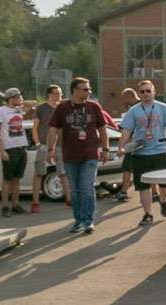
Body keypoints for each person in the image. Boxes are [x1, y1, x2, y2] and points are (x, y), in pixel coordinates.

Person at [47, 77, 111, 234]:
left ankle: (88, 220)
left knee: (87, 187)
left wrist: (105, 149)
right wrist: (50, 150)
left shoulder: (93, 107)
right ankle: (78, 220)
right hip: (70, 155)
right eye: (85, 89)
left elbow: (102, 129)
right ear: (74, 91)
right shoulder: (62, 108)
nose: (89, 92)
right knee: (75, 190)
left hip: (90, 154)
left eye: (89, 89)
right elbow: (53, 130)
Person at [117, 80, 166, 226]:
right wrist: (121, 147)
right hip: (140, 152)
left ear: (154, 92)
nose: (145, 94)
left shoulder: (163, 108)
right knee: (143, 186)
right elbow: (126, 131)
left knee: (164, 184)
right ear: (139, 94)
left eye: (148, 91)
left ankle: (162, 200)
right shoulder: (133, 111)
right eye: (142, 92)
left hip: (160, 151)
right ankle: (148, 214)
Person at [0, 88, 29, 217]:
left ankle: (15, 204)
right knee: (7, 178)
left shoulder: (18, 110)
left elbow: (33, 104)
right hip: (9, 148)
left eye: (20, 97)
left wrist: (21, 102)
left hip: (21, 146)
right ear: (10, 99)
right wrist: (2, 150)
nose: (20, 99)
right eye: (17, 97)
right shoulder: (0, 111)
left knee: (17, 179)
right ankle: (5, 206)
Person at [32, 84, 68, 213]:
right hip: (44, 144)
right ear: (49, 95)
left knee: (63, 172)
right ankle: (35, 202)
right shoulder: (41, 108)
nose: (59, 96)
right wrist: (37, 143)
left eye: (60, 94)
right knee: (39, 172)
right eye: (56, 94)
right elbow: (35, 127)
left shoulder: (62, 108)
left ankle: (69, 199)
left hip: (60, 145)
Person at [114, 87, 141, 201]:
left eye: (123, 98)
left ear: (128, 97)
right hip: (143, 142)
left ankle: (123, 192)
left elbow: (128, 128)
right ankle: (154, 193)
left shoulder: (134, 109)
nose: (122, 101)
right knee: (144, 167)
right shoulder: (144, 106)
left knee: (126, 167)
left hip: (134, 142)